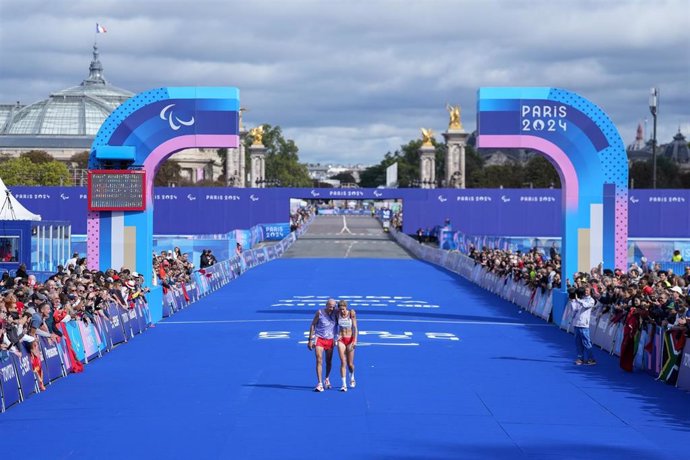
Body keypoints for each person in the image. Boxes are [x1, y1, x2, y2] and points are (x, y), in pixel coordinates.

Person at [307, 298, 337, 392]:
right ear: (326, 305)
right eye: (330, 306)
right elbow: (313, 325)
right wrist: (310, 339)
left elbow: (346, 313)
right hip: (319, 338)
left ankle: (327, 378)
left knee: (328, 361)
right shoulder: (319, 313)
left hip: (330, 340)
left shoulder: (336, 313)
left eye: (333, 307)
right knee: (319, 359)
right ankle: (319, 383)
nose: (331, 308)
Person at [335, 300, 358, 391]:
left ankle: (352, 376)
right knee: (343, 362)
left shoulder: (351, 314)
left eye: (343, 309)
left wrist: (355, 340)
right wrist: (336, 336)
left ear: (346, 308)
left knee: (350, 364)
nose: (342, 311)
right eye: (340, 309)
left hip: (350, 339)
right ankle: (344, 384)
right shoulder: (337, 314)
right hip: (341, 340)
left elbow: (355, 328)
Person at [570, 286, 596, 365]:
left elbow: (585, 305)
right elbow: (575, 309)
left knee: (586, 343)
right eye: (585, 290)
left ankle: (591, 359)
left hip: (584, 325)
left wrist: (578, 300)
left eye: (587, 290)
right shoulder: (581, 299)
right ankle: (580, 358)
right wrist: (572, 301)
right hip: (577, 323)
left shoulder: (592, 300)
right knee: (578, 343)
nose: (586, 292)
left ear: (591, 291)